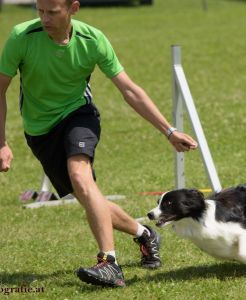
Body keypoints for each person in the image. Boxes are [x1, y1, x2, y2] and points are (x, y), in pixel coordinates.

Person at [0, 0, 198, 288]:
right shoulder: (21, 37)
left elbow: (129, 89)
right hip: (40, 130)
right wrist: (2, 142)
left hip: (79, 115)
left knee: (80, 177)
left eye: (52, 12)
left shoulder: (92, 39)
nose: (44, 18)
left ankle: (109, 263)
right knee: (88, 196)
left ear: (73, 9)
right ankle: (145, 234)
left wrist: (168, 131)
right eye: (40, 11)